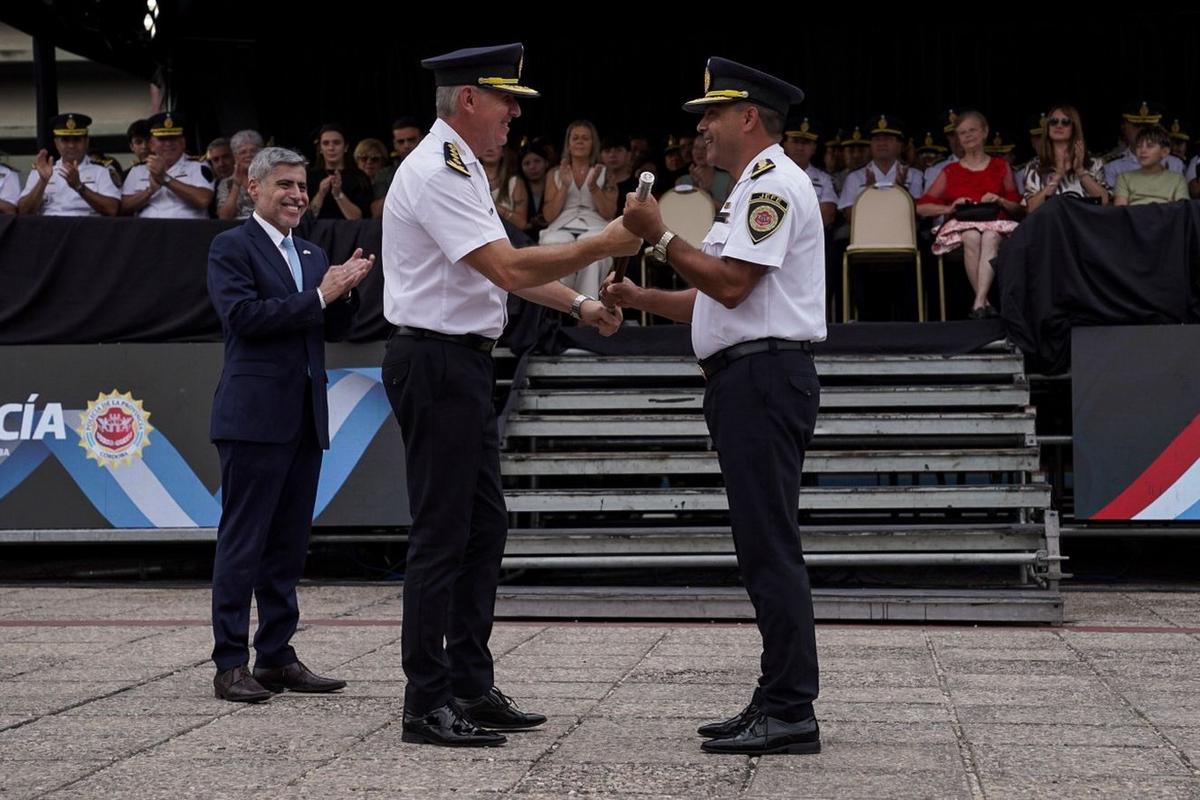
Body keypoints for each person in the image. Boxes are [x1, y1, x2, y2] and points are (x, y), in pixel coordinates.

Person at [380, 42, 640, 748]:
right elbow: (506, 266)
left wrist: (579, 306)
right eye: (506, 100)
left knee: (483, 527)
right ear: (468, 99)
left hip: (459, 362)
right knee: (442, 535)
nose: (515, 114)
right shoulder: (438, 169)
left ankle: (468, 683)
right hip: (436, 360)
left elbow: (507, 271)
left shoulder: (463, 167)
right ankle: (425, 700)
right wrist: (606, 241)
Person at [603, 55, 823, 757]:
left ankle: (791, 708)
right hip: (747, 378)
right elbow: (714, 299)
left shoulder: (773, 185)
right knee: (761, 546)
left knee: (769, 547)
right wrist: (642, 298)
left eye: (713, 115)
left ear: (749, 116)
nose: (702, 128)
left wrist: (660, 235)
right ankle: (777, 691)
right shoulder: (749, 187)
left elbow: (730, 285)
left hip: (763, 380)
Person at [206, 146, 374, 703]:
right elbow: (243, 318)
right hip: (253, 417)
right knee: (244, 541)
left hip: (304, 417)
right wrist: (321, 294)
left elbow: (330, 326)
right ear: (253, 188)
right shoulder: (232, 246)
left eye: (302, 185)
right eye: (285, 184)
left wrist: (345, 290)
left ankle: (276, 655)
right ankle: (230, 662)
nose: (297, 195)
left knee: (287, 546)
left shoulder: (310, 251)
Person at [916, 110, 1021, 318]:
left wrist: (999, 200)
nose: (968, 136)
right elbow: (921, 207)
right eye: (962, 133)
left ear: (985, 132)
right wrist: (949, 208)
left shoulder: (1001, 166)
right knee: (971, 236)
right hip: (964, 226)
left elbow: (1018, 207)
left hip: (995, 224)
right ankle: (983, 302)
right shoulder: (951, 170)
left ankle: (979, 302)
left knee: (990, 237)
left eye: (972, 130)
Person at [539, 119, 617, 299]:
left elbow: (609, 213)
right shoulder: (555, 173)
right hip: (561, 227)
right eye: (575, 138)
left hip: (595, 227)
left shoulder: (605, 173)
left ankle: (587, 309)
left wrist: (594, 187)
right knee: (555, 245)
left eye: (585, 138)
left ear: (593, 143)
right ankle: (564, 304)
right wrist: (565, 186)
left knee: (593, 255)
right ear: (568, 143)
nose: (580, 142)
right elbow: (549, 216)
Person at [17, 113, 120, 217]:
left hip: (87, 225)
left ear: (86, 142)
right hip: (50, 225)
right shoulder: (42, 170)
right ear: (56, 143)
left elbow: (112, 210)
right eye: (65, 140)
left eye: (77, 140)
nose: (71, 145)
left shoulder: (101, 171)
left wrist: (79, 187)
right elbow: (23, 212)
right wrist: (42, 182)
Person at [120, 112, 215, 218]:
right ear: (151, 144)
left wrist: (165, 179)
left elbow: (203, 200)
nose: (168, 143)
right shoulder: (138, 170)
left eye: (173, 138)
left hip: (186, 227)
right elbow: (123, 208)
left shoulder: (198, 166)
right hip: (148, 228)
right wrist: (149, 191)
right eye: (162, 139)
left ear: (183, 142)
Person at [1023, 105, 1108, 213]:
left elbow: (1104, 201)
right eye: (1053, 122)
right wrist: (1057, 176)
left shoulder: (1093, 163)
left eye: (1066, 122)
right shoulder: (1034, 166)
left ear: (1074, 127)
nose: (1059, 125)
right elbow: (1031, 209)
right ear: (1047, 127)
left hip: (1086, 222)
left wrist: (1081, 171)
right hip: (1051, 222)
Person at [307, 123, 372, 220]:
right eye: (326, 143)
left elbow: (359, 218)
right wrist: (321, 194)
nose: (331, 148)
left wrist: (338, 194)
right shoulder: (310, 177)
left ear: (346, 147)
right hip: (318, 229)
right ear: (320, 148)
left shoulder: (359, 177)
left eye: (336, 143)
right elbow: (306, 219)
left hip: (350, 229)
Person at [1113, 124, 1189, 206]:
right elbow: (1121, 210)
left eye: (1150, 146)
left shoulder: (1177, 179)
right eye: (1139, 146)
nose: (1143, 150)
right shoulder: (1124, 178)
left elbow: (1182, 209)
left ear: (1164, 152)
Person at [216, 129, 264, 221]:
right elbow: (224, 217)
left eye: (253, 151)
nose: (248, 155)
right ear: (235, 157)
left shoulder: (269, 178)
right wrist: (236, 185)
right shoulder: (226, 183)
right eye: (243, 152)